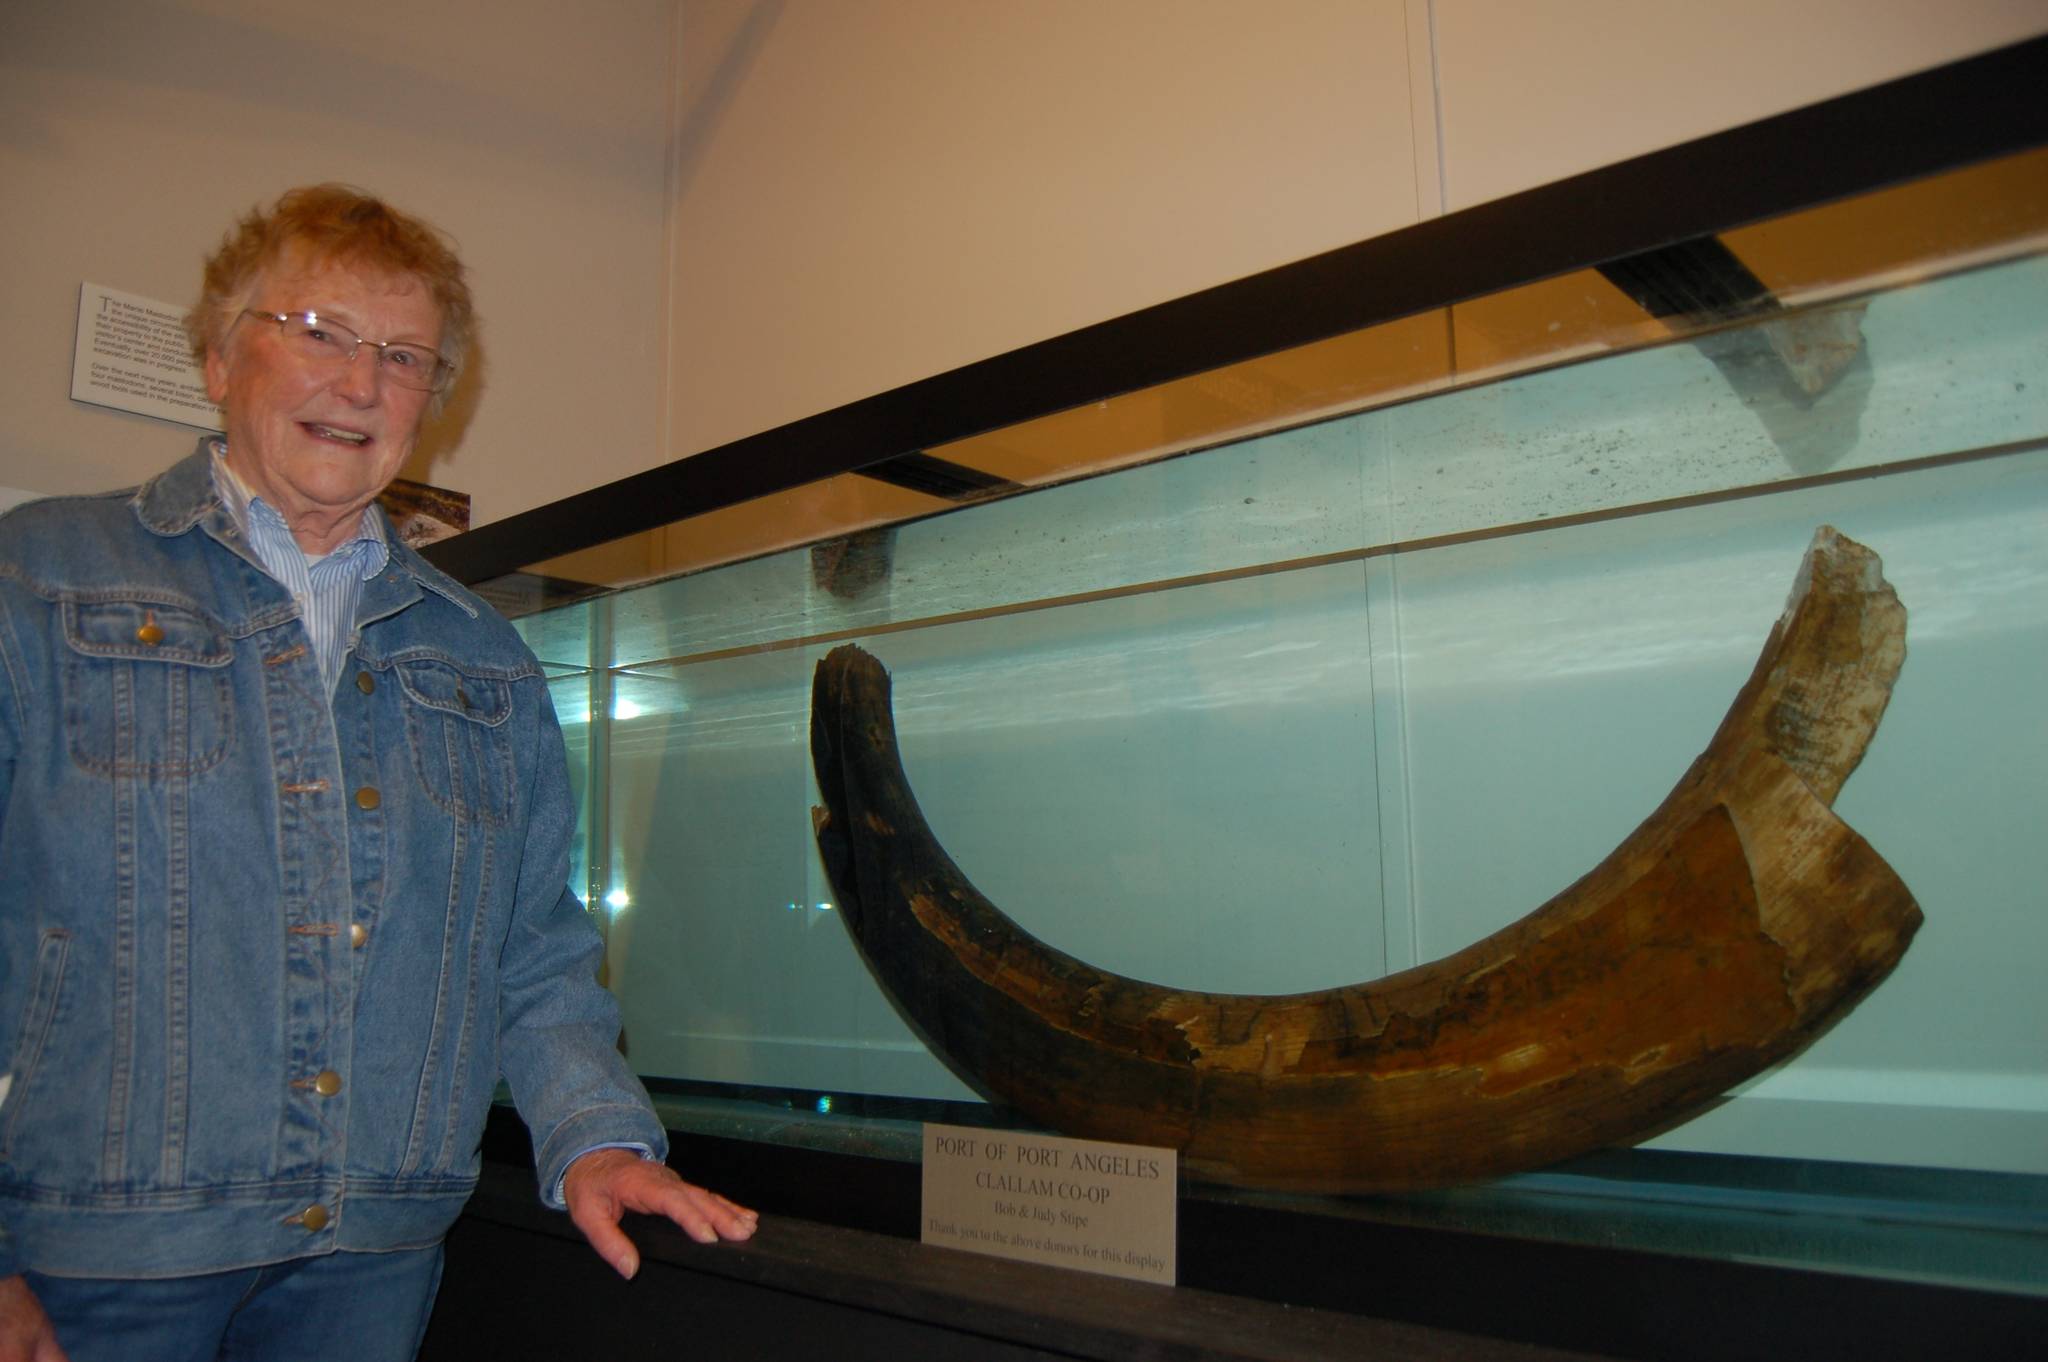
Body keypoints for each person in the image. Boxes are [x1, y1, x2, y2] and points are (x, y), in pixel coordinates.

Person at [0, 185, 755, 1362]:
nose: (360, 383)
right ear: (215, 353)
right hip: (94, 1262)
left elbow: (534, 951)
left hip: (375, 1259)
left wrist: (597, 1139)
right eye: (318, 332)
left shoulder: (483, 657)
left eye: (405, 357)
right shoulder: (37, 578)